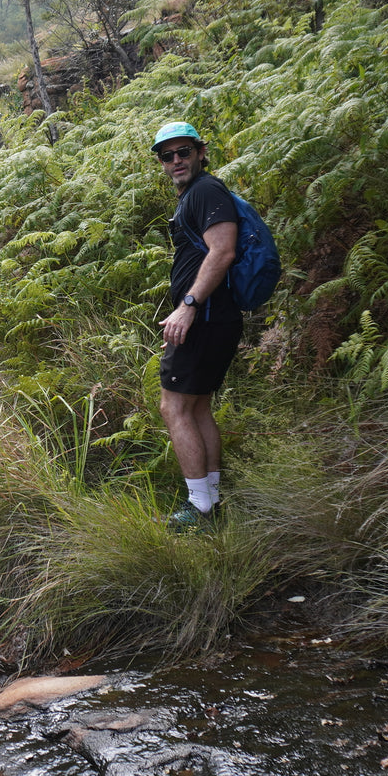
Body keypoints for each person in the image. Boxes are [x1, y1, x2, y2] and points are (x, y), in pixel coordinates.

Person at [153, 121, 241, 532]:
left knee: (174, 407)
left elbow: (223, 251)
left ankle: (200, 507)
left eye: (183, 152)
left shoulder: (206, 191)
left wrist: (188, 304)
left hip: (203, 317)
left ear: (200, 152)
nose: (176, 161)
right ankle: (212, 499)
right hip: (213, 317)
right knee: (198, 405)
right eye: (167, 156)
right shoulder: (196, 195)